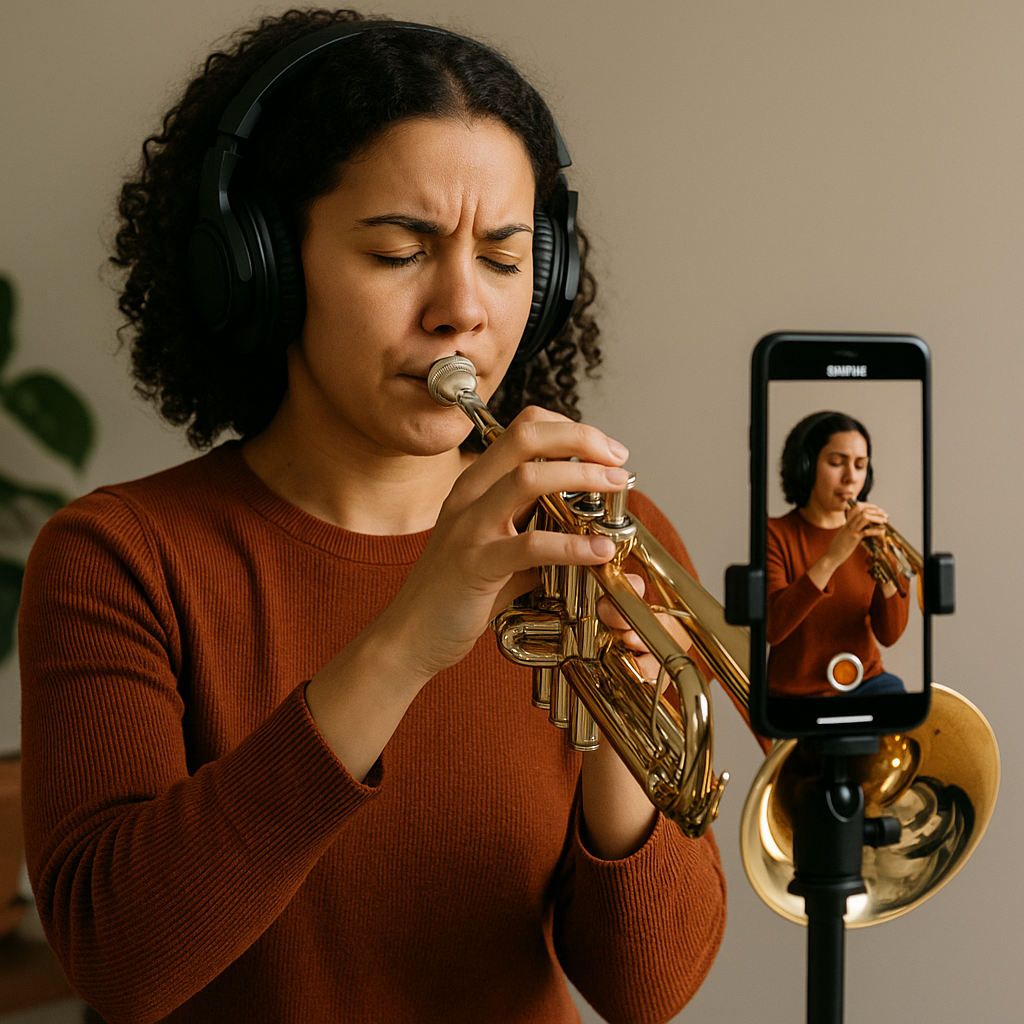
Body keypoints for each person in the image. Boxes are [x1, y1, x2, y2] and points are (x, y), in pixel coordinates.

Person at [18, 10, 728, 1024]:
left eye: (502, 255)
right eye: (402, 249)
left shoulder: (591, 531)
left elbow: (647, 989)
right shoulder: (119, 557)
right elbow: (121, 964)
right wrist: (403, 640)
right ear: (261, 263)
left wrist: (627, 735)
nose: (462, 310)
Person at [766, 410, 910, 698]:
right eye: (836, 463)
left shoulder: (871, 535)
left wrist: (887, 572)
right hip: (796, 692)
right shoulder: (774, 533)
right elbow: (773, 628)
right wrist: (833, 557)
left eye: (860, 466)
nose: (850, 477)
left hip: (866, 682)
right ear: (806, 466)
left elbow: (890, 635)